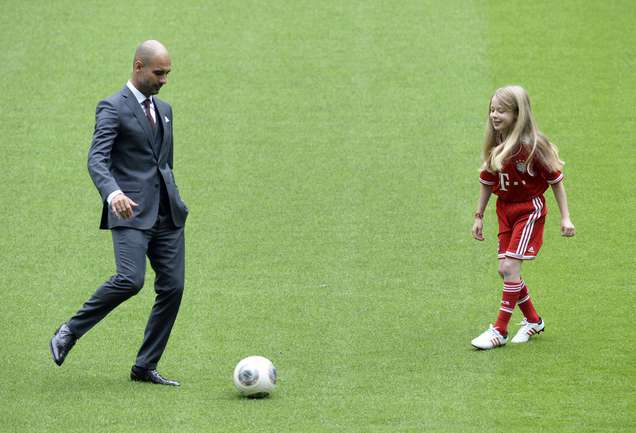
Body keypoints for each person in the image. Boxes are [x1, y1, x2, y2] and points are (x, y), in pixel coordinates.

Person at [49, 40, 188, 385]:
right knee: (130, 279)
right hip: (130, 212)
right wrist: (114, 194)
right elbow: (96, 159)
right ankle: (70, 331)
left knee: (173, 288)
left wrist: (175, 197)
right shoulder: (113, 107)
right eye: (159, 73)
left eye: (168, 73)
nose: (164, 80)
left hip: (167, 214)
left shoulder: (165, 109)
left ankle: (145, 366)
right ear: (139, 67)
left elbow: (164, 162)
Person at [470, 85, 575, 350]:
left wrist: (565, 218)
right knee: (505, 270)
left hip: (529, 210)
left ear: (518, 114)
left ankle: (499, 330)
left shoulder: (533, 147)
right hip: (505, 211)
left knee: (510, 268)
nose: (494, 115)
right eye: (492, 110)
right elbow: (487, 181)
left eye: (501, 111)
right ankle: (533, 321)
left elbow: (556, 181)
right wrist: (479, 215)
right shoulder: (496, 143)